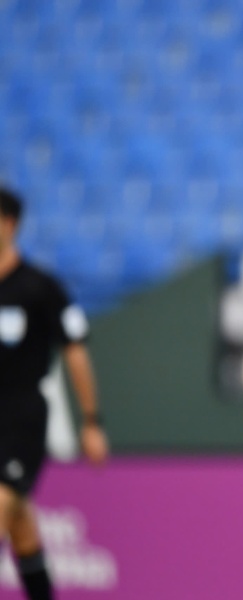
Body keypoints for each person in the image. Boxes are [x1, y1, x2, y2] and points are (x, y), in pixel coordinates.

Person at [0, 187, 109, 600]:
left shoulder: (40, 288)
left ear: (10, 224)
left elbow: (75, 352)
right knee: (20, 526)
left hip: (21, 419)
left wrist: (92, 421)